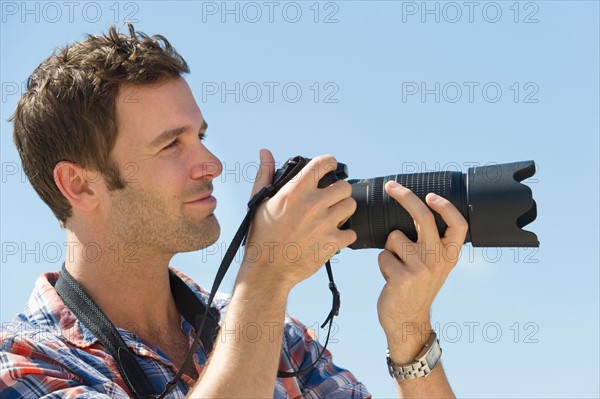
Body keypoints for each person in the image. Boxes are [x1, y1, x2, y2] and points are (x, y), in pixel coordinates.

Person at [0, 23, 468, 398]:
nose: (212, 165)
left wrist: (410, 336)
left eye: (198, 136)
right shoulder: (27, 364)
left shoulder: (279, 337)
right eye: (170, 145)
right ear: (79, 184)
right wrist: (264, 278)